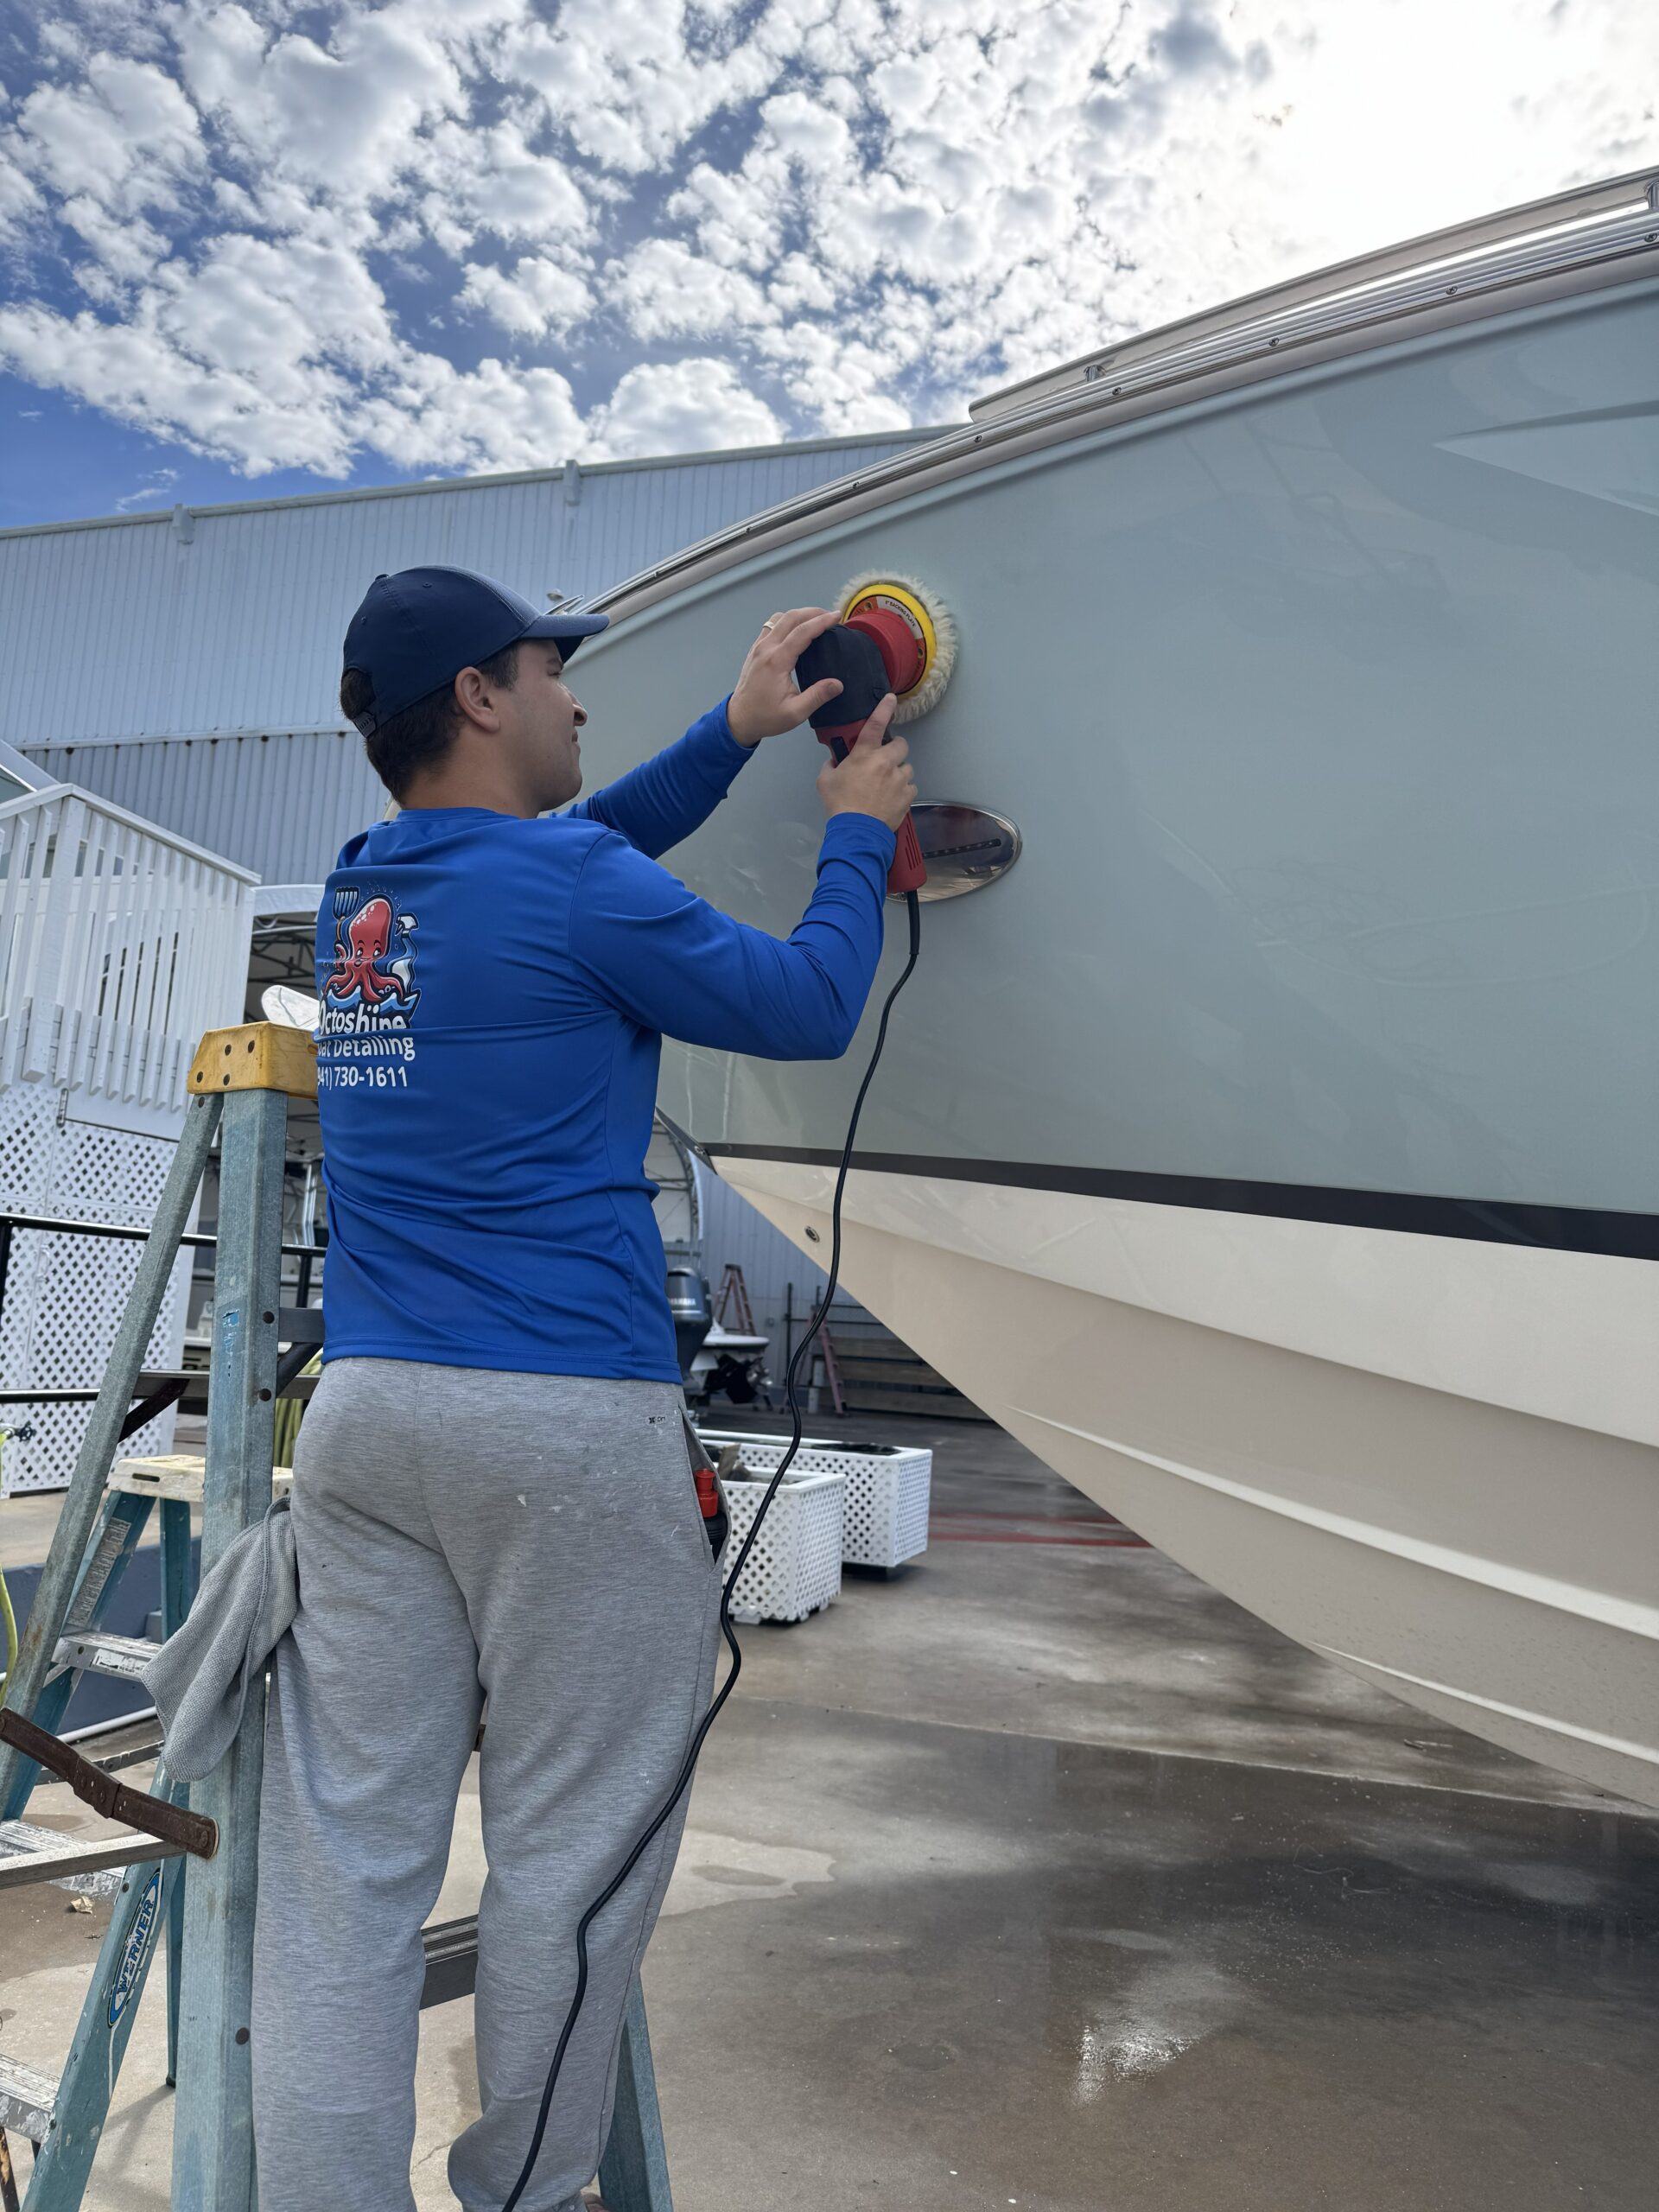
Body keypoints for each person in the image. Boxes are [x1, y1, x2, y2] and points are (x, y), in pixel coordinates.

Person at [251, 564, 916, 2212]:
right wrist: (852, 820)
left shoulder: (365, 901)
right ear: (481, 695)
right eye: (555, 670)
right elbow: (818, 1005)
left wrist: (733, 733)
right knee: (573, 1869)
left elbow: (585, 842)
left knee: (346, 1880)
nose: (575, 698)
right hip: (561, 1429)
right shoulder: (567, 891)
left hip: (369, 1425)